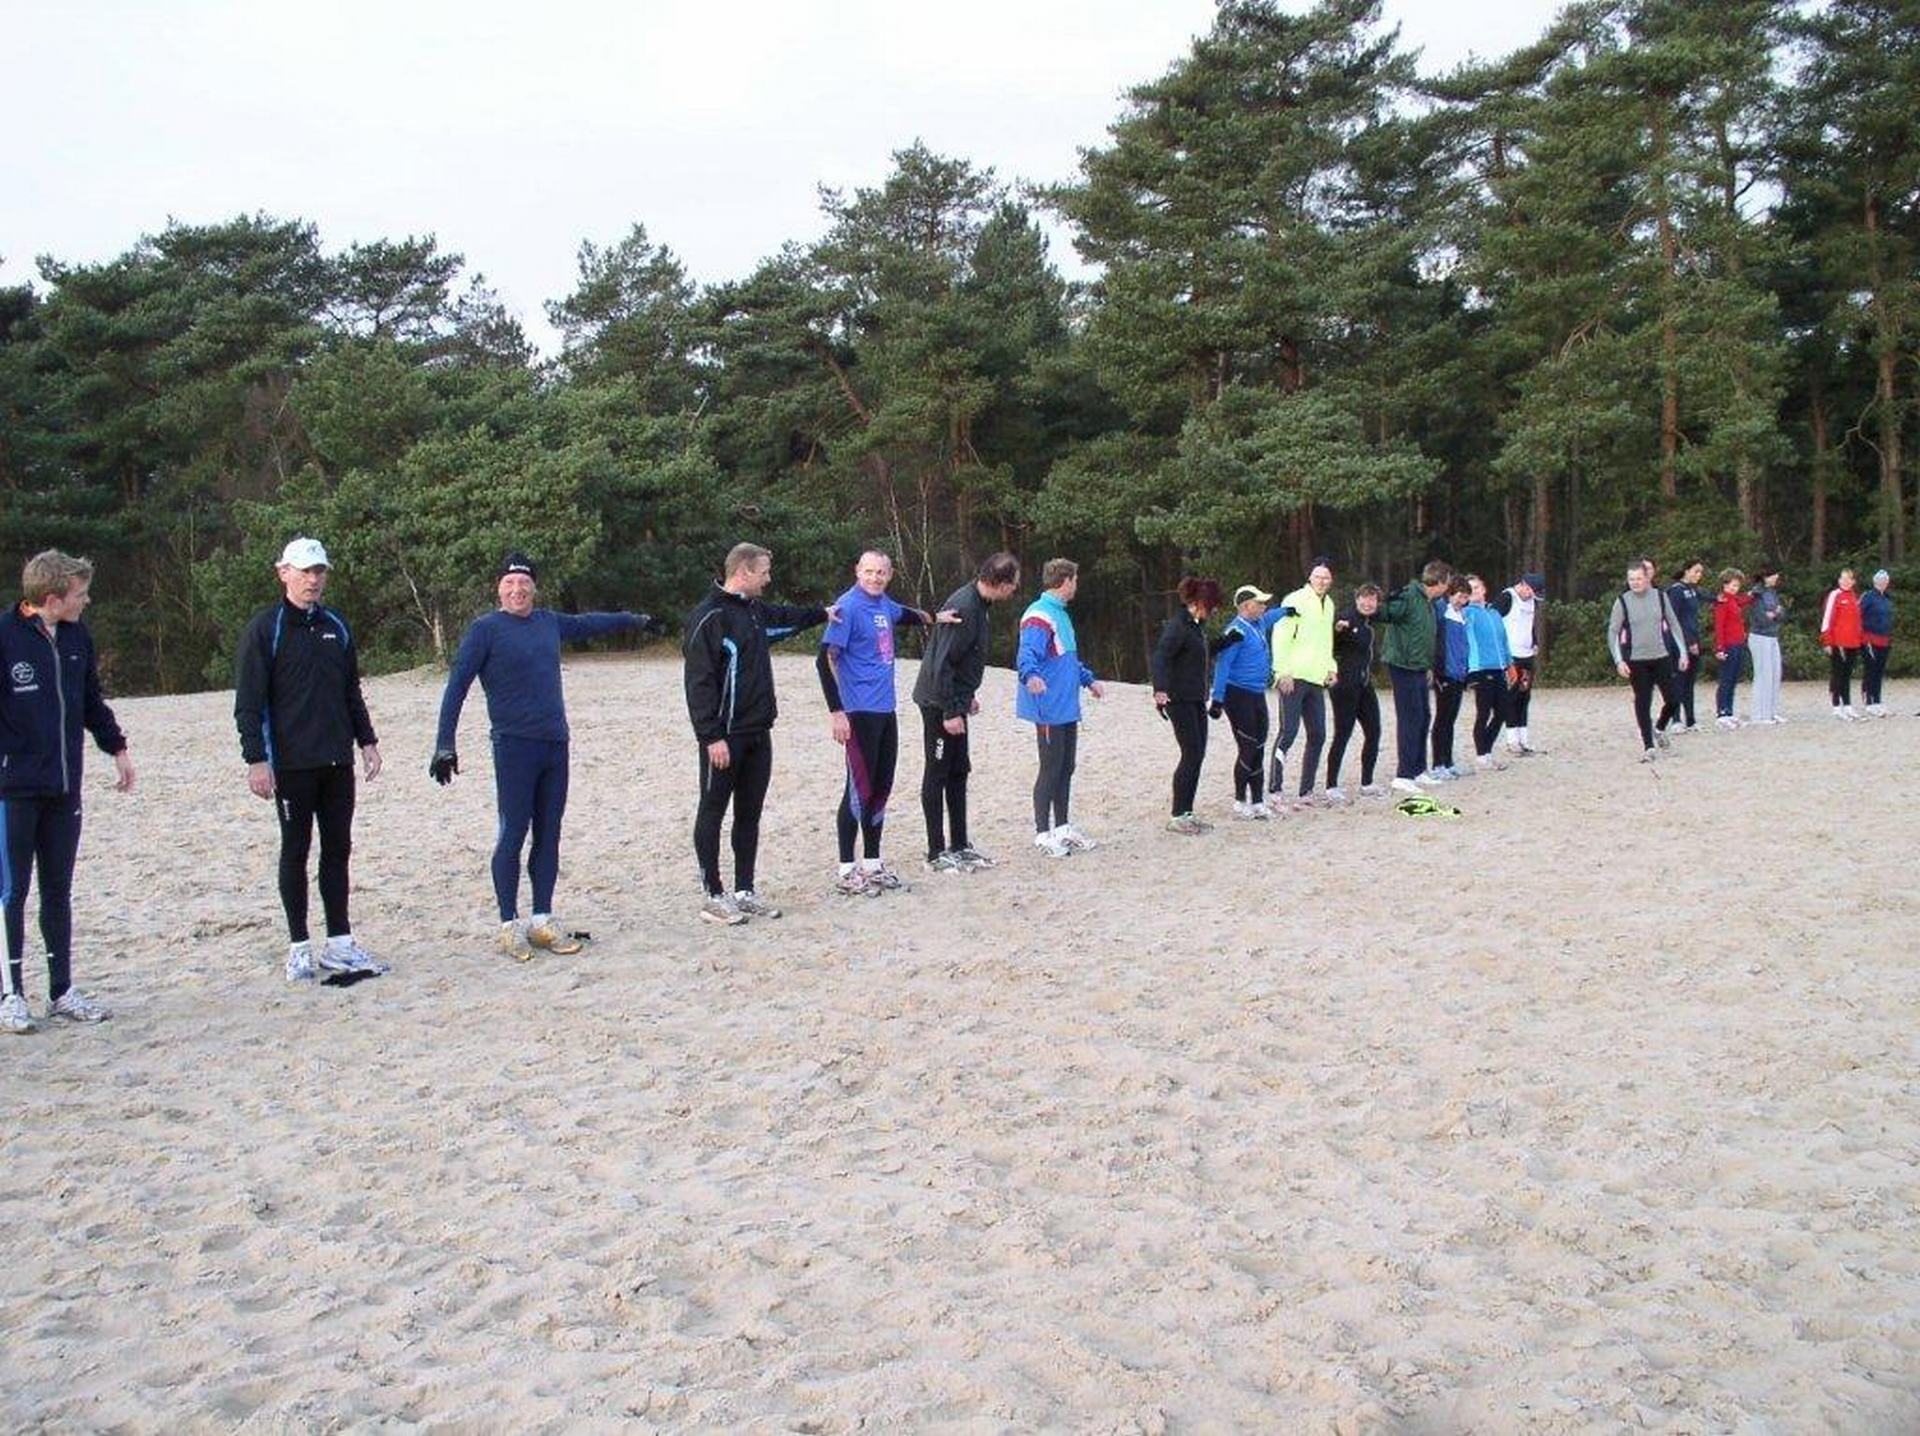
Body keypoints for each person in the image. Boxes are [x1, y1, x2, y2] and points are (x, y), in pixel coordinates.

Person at [432, 551, 666, 959]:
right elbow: (457, 687)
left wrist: (637, 620)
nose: (517, 590)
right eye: (509, 583)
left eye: (524, 583)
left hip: (555, 744)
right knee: (513, 831)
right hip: (514, 746)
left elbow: (591, 622)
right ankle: (509, 924)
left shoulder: (548, 622)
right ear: (499, 588)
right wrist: (444, 744)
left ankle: (541, 918)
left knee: (549, 831)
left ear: (534, 588)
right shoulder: (485, 630)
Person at [234, 538, 386, 982]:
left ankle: (339, 942)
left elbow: (350, 690)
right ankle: (299, 945)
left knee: (337, 849)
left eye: (319, 572)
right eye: (304, 572)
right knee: (295, 850)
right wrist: (256, 759)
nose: (313, 580)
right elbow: (248, 703)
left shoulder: (336, 626)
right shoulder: (266, 629)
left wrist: (367, 741)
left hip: (336, 760)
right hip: (291, 764)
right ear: (284, 573)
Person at [1, 550, 134, 1034]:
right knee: (12, 892)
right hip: (13, 790)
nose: (87, 600)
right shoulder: (5, 637)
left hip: (63, 787)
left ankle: (62, 990)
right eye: (80, 594)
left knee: (57, 889)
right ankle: (11, 993)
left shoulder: (77, 637)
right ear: (53, 599)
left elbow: (90, 701)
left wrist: (116, 747)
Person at [683, 542, 833, 925]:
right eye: (764, 572)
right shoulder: (709, 617)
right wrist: (710, 736)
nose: (768, 579)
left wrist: (822, 613)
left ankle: (744, 891)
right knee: (713, 811)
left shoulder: (753, 611)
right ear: (744, 571)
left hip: (758, 732)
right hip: (724, 737)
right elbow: (698, 684)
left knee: (749, 815)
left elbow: (786, 617)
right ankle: (713, 895)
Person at [817, 549, 947, 895]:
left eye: (881, 573)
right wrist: (837, 711)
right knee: (858, 790)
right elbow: (824, 659)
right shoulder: (847, 607)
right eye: (869, 571)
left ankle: (872, 864)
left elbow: (905, 614)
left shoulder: (883, 604)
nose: (874, 578)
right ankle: (847, 870)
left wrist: (936, 617)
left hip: (885, 711)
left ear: (889, 575)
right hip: (857, 712)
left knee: (880, 786)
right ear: (857, 571)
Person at [915, 552, 1022, 871]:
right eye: (1014, 584)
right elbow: (942, 663)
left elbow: (966, 658)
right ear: (1001, 583)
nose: (1015, 589)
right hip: (937, 703)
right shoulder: (964, 606)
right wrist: (950, 711)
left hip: (955, 700)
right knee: (937, 771)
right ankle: (936, 852)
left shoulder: (981, 605)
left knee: (959, 770)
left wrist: (966, 697)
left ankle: (959, 844)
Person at [1017, 558, 1104, 856]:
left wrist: (1088, 680)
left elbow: (1067, 659)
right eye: (1075, 580)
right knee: (1050, 768)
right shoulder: (1039, 615)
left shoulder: (1062, 615)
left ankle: (1063, 827)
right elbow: (1026, 652)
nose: (1077, 585)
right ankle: (1043, 833)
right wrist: (1031, 676)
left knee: (1067, 766)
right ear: (1065, 581)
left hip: (1067, 705)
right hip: (1048, 707)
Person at [1151, 575, 1226, 835]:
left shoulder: (1196, 627)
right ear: (1199, 603)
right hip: (1178, 699)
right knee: (1191, 753)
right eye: (1211, 606)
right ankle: (1177, 815)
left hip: (1196, 699)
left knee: (1198, 754)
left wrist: (1227, 641)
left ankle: (1187, 811)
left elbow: (1201, 653)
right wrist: (1160, 689)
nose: (1213, 611)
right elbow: (1161, 656)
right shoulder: (1178, 626)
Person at [1210, 583, 1287, 820]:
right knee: (1248, 747)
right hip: (1237, 695)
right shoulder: (1236, 631)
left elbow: (1272, 617)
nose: (1264, 607)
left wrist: (1287, 610)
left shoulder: (1259, 622)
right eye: (1259, 603)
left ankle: (1258, 801)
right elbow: (1223, 666)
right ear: (1245, 606)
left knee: (1260, 745)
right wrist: (1217, 699)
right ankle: (1239, 801)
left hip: (1257, 693)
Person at [1269, 560, 1339, 807]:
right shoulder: (1294, 600)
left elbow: (1325, 640)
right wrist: (1282, 671)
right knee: (1288, 732)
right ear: (1310, 577)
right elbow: (1281, 635)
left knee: (1318, 734)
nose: (1322, 581)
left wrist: (1331, 667)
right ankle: (1275, 788)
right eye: (1318, 576)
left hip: (1316, 678)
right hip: (1294, 676)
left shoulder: (1329, 604)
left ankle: (1306, 790)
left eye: (1326, 577)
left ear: (1331, 580)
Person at [1379, 561, 1451, 795]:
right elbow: (1384, 612)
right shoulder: (1410, 596)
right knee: (1410, 719)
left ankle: (1418, 769)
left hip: (1419, 666)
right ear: (1439, 582)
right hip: (1403, 665)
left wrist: (1428, 666)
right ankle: (1403, 775)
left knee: (1423, 717)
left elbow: (1425, 637)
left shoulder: (1429, 603)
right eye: (1447, 582)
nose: (1448, 587)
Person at [1608, 562, 1690, 760]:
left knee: (1673, 699)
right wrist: (1619, 660)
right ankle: (1648, 745)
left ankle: (1659, 728)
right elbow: (1613, 632)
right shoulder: (1623, 601)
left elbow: (1673, 624)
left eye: (1638, 578)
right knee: (1643, 701)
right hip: (1637, 660)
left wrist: (1683, 652)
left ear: (1647, 578)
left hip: (1661, 656)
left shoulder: (1660, 597)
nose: (1635, 582)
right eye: (1631, 579)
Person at [1325, 583, 1385, 802]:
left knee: (1374, 731)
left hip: (1364, 684)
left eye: (1373, 599)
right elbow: (1332, 641)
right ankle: (1331, 785)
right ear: (1357, 598)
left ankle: (1367, 783)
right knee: (1343, 733)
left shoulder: (1369, 623)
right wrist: (1337, 630)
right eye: (1364, 598)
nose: (1368, 603)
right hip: (1344, 685)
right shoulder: (1346, 618)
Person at [1492, 573, 1545, 755]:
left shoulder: (1532, 602)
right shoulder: (1507, 598)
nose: (1531, 596)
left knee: (1524, 696)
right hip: (1511, 657)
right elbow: (1494, 622)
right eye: (1530, 591)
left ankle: (1523, 739)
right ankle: (1512, 739)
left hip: (1527, 656)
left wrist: (1534, 641)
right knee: (1511, 697)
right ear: (1523, 584)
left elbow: (1530, 625)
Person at [1463, 575, 1512, 771]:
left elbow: (1503, 639)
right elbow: (1470, 642)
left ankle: (1487, 749)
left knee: (1502, 711)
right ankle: (1482, 755)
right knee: (1483, 712)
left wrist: (1509, 663)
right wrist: (1473, 670)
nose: (1474, 591)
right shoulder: (1468, 613)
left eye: (1477, 587)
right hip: (1482, 668)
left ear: (1484, 589)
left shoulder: (1494, 613)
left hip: (1499, 668)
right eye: (1470, 589)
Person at [1430, 577, 1472, 779]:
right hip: (1445, 672)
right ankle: (1438, 764)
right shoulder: (1441, 610)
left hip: (1458, 673)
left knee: (1451, 719)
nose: (1462, 601)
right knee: (1442, 718)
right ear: (1451, 593)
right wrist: (1437, 668)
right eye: (1460, 596)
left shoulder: (1461, 615)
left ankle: (1448, 762)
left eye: (1465, 597)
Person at [1664, 561, 1706, 732]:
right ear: (1686, 571)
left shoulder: (1693, 590)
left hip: (1694, 640)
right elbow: (1674, 620)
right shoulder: (1676, 591)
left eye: (1700, 572)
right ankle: (1675, 719)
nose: (1699, 575)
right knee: (1678, 682)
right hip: (1678, 644)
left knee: (1689, 682)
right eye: (1696, 571)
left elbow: (1707, 597)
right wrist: (1688, 642)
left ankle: (1690, 720)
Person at [1819, 568, 1865, 720]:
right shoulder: (1835, 595)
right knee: (1838, 674)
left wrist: (1859, 639)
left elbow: (1857, 621)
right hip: (1839, 642)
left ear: (1853, 582)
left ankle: (1848, 705)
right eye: (1842, 578)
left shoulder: (1854, 597)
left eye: (1848, 579)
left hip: (1853, 643)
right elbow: (1827, 619)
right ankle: (1836, 706)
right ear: (1839, 580)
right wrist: (1826, 640)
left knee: (1847, 675)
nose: (1845, 581)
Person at [1711, 569, 1753, 728]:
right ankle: (1722, 712)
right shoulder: (1722, 602)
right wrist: (1719, 647)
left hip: (1738, 643)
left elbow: (1743, 600)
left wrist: (1752, 594)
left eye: (1737, 586)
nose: (1735, 588)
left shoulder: (1733, 600)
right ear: (1725, 585)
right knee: (1726, 679)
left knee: (1733, 678)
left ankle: (1729, 711)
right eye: (1733, 585)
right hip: (1728, 644)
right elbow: (1719, 626)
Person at [1748, 565, 1787, 725]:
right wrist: (1774, 613)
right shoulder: (1757, 593)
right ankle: (1759, 714)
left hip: (1772, 635)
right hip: (1760, 636)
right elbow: (1761, 618)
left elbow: (1782, 613)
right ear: (1766, 577)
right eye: (1773, 575)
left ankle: (1771, 712)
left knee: (1775, 674)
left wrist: (1775, 613)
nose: (1776, 578)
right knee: (1763, 675)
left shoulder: (1772, 592)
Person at [1860, 569, 1894, 717]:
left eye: (1885, 581)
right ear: (1875, 582)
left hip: (1884, 640)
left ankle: (1877, 701)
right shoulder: (1868, 597)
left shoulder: (1886, 598)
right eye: (1880, 581)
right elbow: (1858, 615)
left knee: (1879, 671)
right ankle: (1869, 702)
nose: (1883, 583)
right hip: (1869, 639)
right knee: (1871, 670)